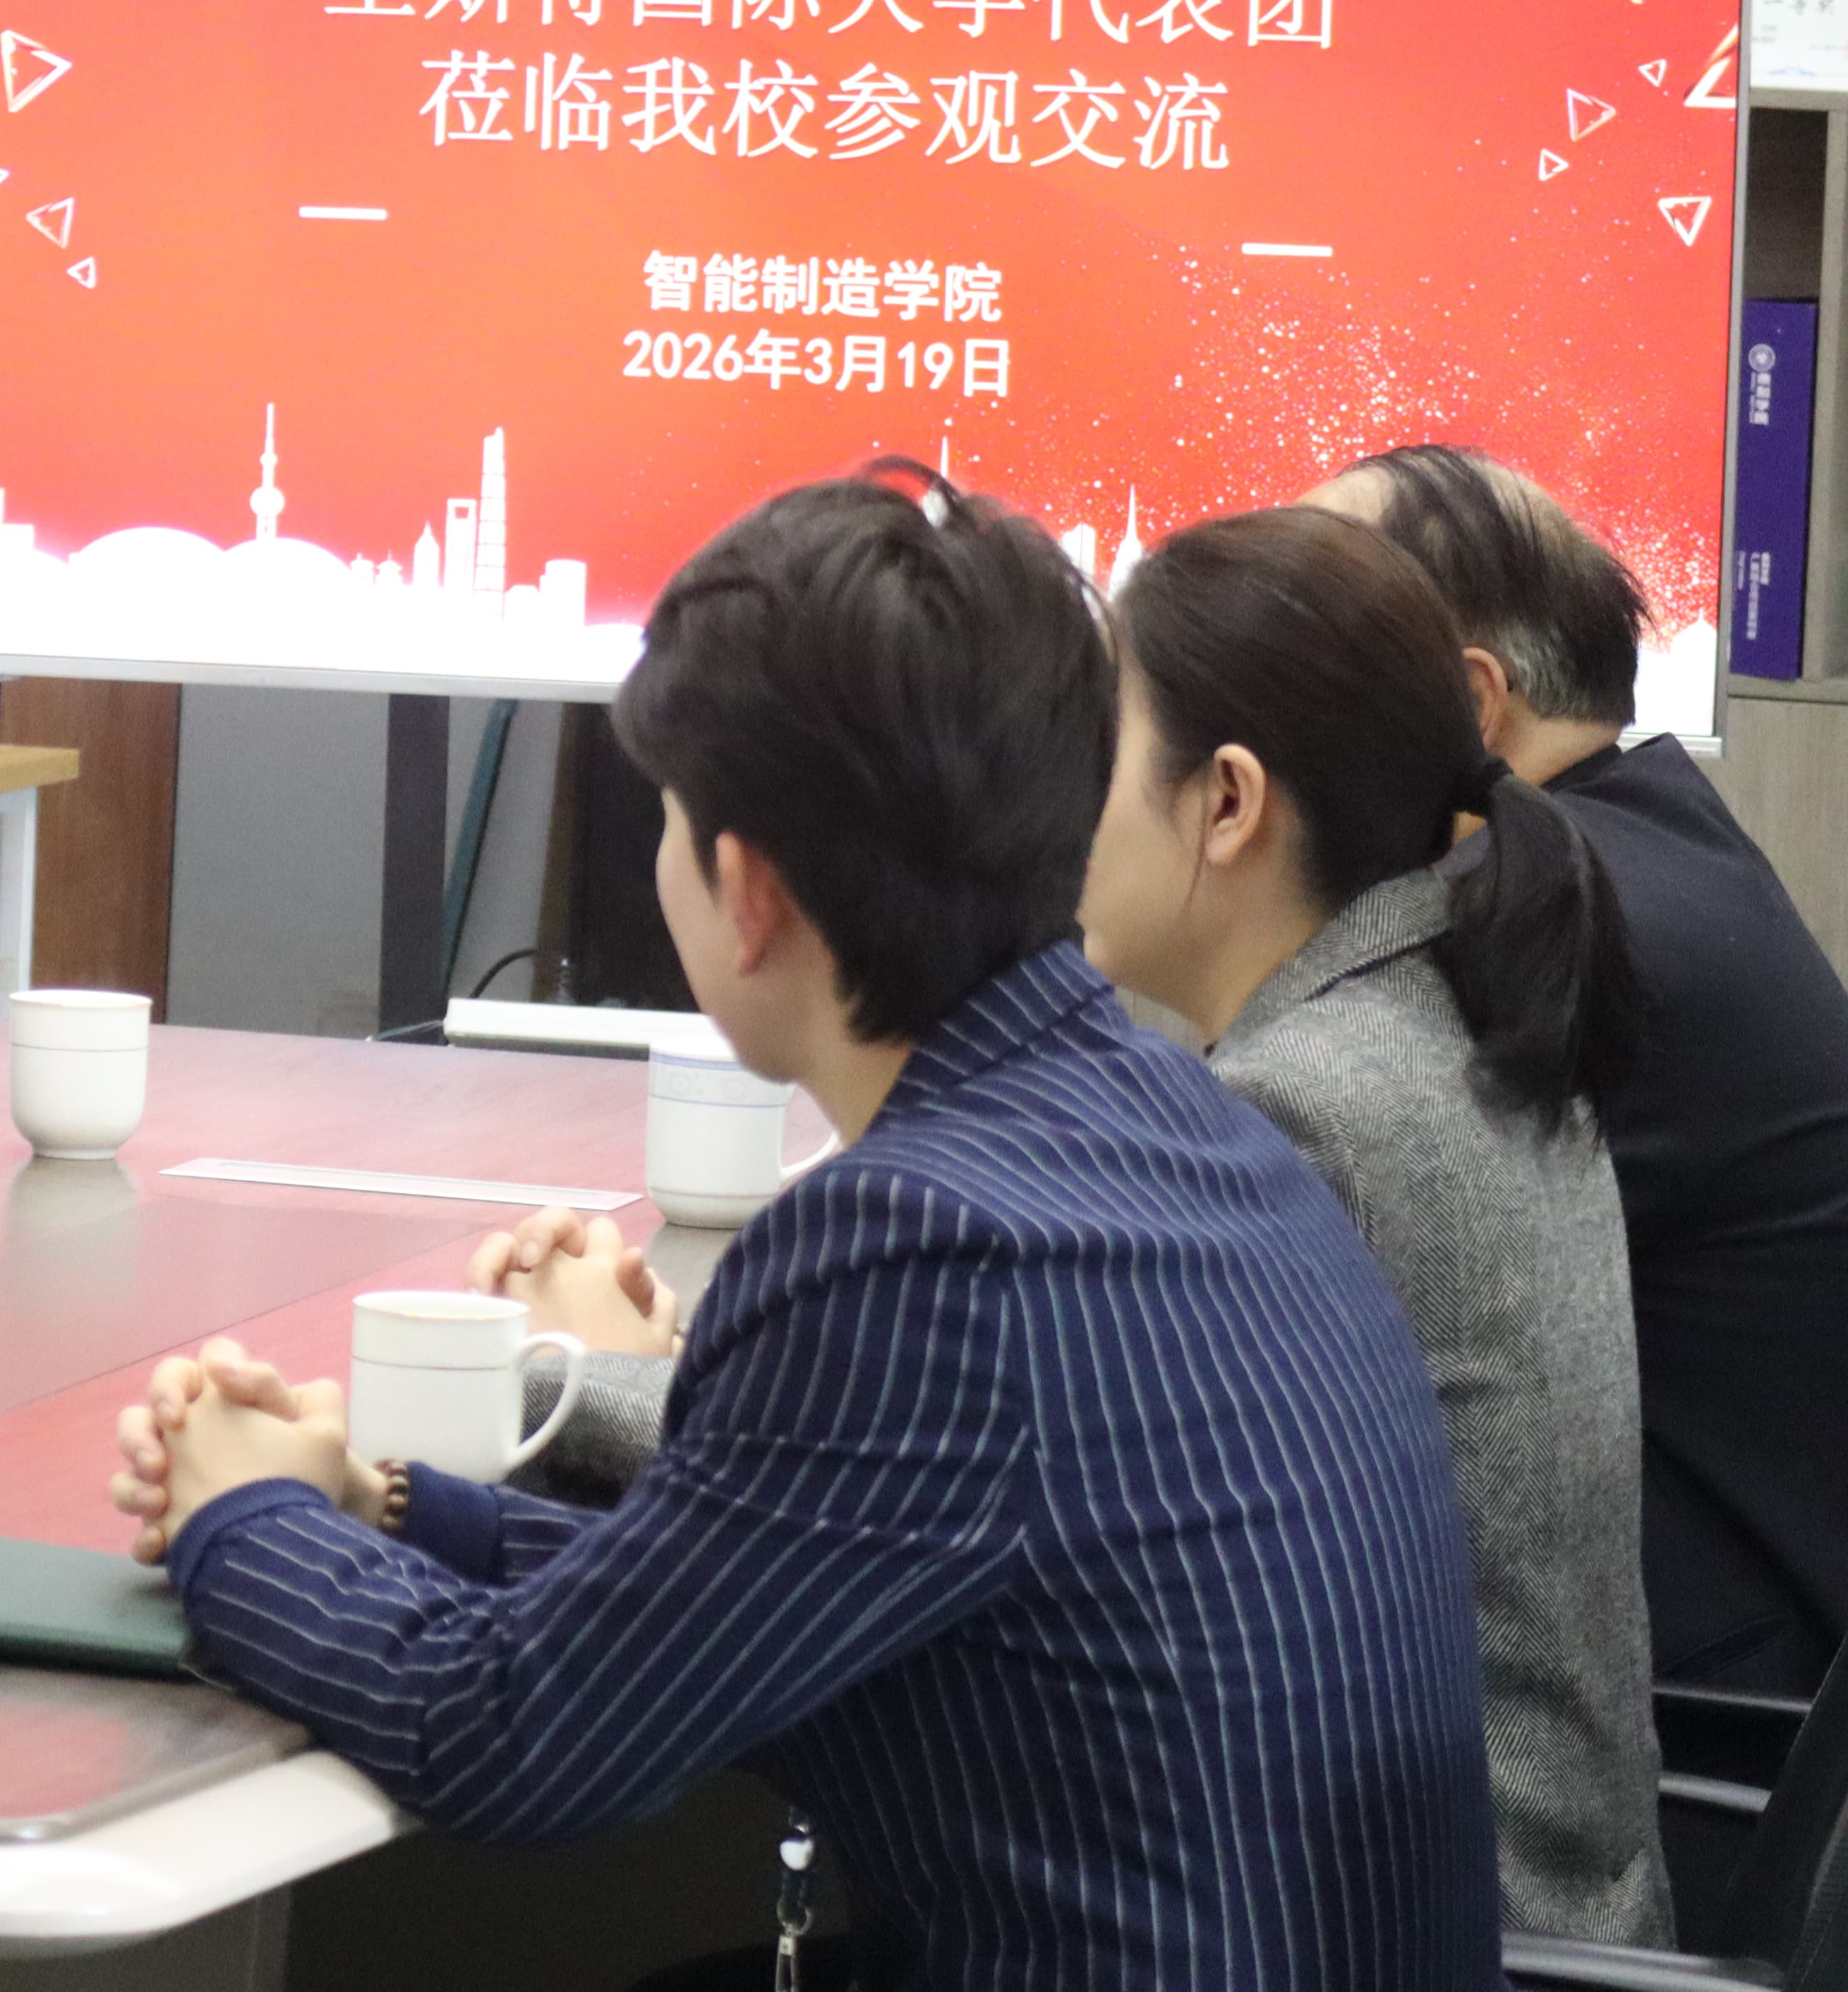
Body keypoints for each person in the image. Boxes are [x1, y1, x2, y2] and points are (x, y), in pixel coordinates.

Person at [106, 471, 1502, 1988]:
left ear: (747, 892)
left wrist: (243, 1515)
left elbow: (511, 1733)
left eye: (668, 820)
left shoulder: (914, 1245)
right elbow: (745, 1585)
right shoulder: (1176, 1116)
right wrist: (383, 1505)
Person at [473, 507, 1674, 1946]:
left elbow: (964, 1463)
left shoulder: (1298, 1111)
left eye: (1095, 755)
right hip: (1476, 1890)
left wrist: (576, 1379)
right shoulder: (1439, 1016)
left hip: (1408, 1914)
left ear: (1226, 804)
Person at [1317, 442, 1848, 1699]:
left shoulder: (1537, 929)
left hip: (1691, 1709)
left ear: (1469, 702)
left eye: (1291, 641)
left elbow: (1270, 1319)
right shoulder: (1646, 846)